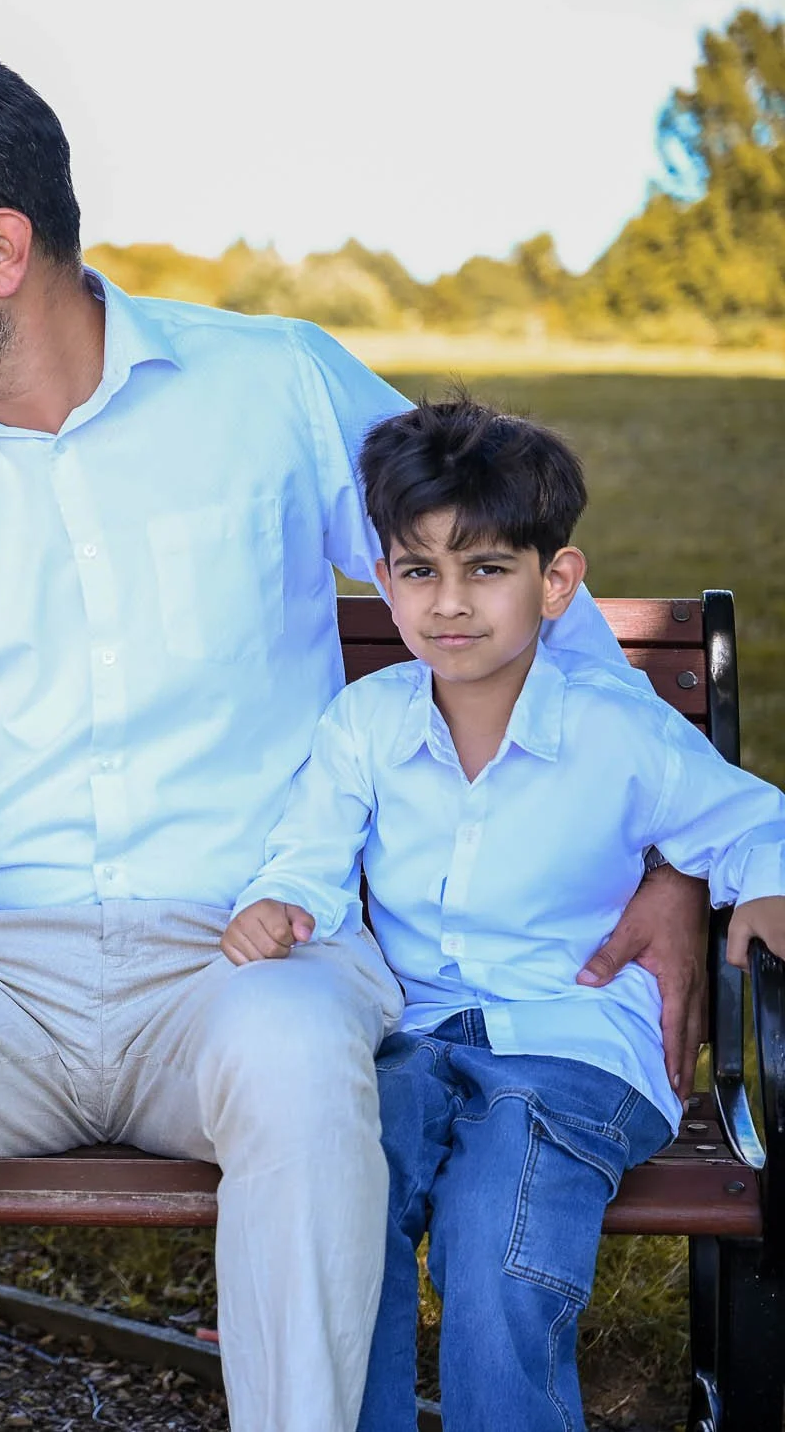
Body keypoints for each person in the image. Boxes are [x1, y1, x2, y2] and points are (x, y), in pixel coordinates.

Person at [0, 57, 708, 1432]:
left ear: (0, 247)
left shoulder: (274, 388)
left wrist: (667, 845)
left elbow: (511, 580)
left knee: (302, 1054)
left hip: (249, 952)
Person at [223, 398, 785, 1432]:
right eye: (417, 570)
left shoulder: (619, 735)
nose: (449, 603)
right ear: (382, 578)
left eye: (485, 569)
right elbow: (307, 852)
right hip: (415, 1035)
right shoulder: (365, 726)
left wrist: (764, 887)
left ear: (554, 582)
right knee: (349, 1188)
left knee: (501, 1235)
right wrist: (281, 906)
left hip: (575, 1050)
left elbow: (752, 823)